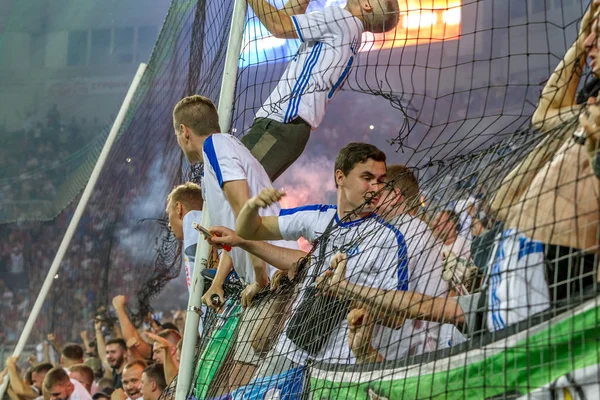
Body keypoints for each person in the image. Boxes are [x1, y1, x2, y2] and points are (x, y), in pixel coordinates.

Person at [233, 142, 409, 396]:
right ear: (341, 176)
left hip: (338, 370)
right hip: (288, 352)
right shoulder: (316, 217)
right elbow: (248, 230)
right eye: (367, 178)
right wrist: (252, 206)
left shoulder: (389, 239)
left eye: (381, 180)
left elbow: (397, 317)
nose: (376, 188)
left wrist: (346, 292)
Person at [172, 94, 299, 389]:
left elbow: (247, 218)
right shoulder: (215, 160)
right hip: (269, 275)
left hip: (275, 275)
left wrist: (258, 278)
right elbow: (235, 233)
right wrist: (218, 282)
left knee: (237, 383)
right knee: (238, 383)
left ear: (184, 131)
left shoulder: (216, 147)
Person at [243, 0, 399, 181]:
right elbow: (286, 18)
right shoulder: (351, 32)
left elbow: (279, 25)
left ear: (366, 5)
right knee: (231, 187)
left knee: (229, 181)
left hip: (281, 123)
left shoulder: (339, 18)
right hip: (291, 130)